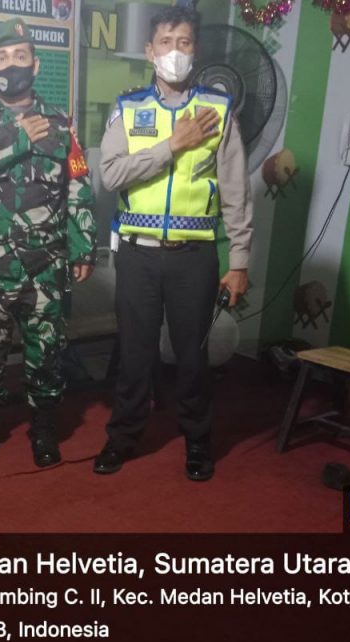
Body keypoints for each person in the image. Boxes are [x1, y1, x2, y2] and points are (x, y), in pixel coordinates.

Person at [93, 5, 252, 481]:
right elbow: (110, 175)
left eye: (183, 42)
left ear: (195, 49)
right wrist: (171, 146)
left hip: (194, 257)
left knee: (193, 358)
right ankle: (122, 437)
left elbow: (237, 191)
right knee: (134, 355)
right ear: (150, 51)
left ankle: (198, 442)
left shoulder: (218, 111)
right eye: (166, 42)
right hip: (137, 254)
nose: (175, 52)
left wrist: (239, 261)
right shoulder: (128, 108)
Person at [0, 17, 97, 469]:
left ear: (35, 64)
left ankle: (44, 428)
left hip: (45, 265)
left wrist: (83, 245)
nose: (11, 64)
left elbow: (77, 185)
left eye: (20, 55)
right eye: (1, 58)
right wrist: (17, 136)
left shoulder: (60, 122)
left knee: (46, 352)